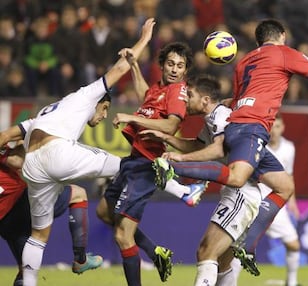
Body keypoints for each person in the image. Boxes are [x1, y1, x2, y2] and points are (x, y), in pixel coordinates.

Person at [153, 19, 308, 282]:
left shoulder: (244, 62)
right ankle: (176, 168)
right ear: (282, 35)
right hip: (252, 129)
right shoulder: (285, 53)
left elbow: (236, 101)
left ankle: (247, 246)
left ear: (259, 40)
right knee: (237, 177)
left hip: (239, 125)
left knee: (284, 185)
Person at [19, 18, 156, 286]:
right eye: (105, 110)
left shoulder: (51, 110)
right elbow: (119, 68)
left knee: (38, 235)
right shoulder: (87, 95)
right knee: (129, 164)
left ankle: (29, 282)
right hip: (55, 151)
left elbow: (15, 132)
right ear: (101, 102)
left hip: (32, 163)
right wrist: (143, 41)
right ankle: (183, 189)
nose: (103, 116)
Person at [94, 36, 203, 285]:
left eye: (180, 66)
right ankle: (155, 251)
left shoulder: (177, 91)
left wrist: (133, 119)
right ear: (162, 65)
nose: (175, 70)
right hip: (132, 160)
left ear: (185, 70)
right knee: (103, 211)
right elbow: (146, 95)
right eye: (171, 64)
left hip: (146, 164)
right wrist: (133, 64)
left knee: (123, 236)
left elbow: (171, 123)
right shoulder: (159, 89)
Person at [141, 75, 262, 286]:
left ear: (205, 100)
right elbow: (199, 147)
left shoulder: (222, 116)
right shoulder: (212, 120)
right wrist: (166, 138)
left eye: (190, 95)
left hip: (243, 190)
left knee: (206, 251)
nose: (185, 99)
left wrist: (180, 159)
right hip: (239, 190)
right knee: (223, 262)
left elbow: (218, 149)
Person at [0, 133, 101, 285]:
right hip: (19, 204)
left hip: (4, 221)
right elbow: (17, 161)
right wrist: (24, 142)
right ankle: (80, 258)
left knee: (26, 269)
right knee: (78, 194)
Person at [232, 113, 302, 286]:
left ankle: (291, 282)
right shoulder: (256, 145)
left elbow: (289, 176)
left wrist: (292, 202)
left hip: (276, 203)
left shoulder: (289, 148)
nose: (274, 131)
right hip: (253, 200)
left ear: (283, 128)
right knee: (239, 247)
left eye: (278, 127)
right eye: (272, 127)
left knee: (294, 245)